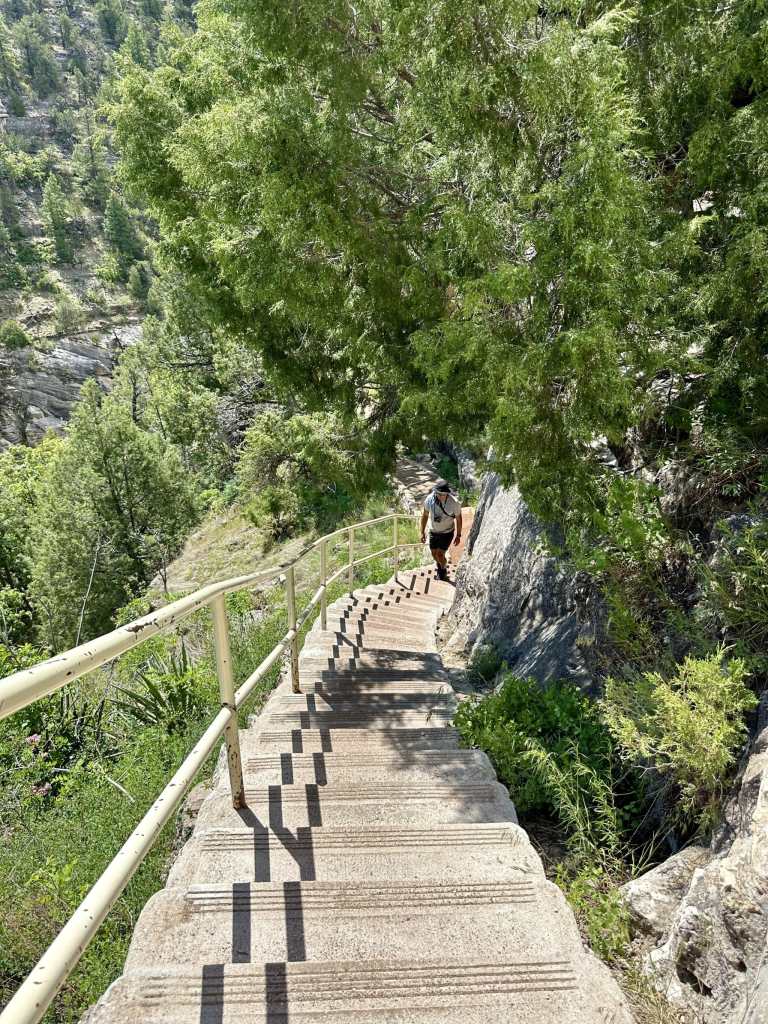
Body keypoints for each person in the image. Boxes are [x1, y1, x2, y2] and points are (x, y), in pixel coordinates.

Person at [420, 480, 462, 581]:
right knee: (434, 554)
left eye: (441, 494)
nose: (438, 496)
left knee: (439, 554)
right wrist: (422, 532)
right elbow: (425, 516)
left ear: (447, 493)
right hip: (433, 531)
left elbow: (459, 519)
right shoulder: (430, 499)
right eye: (437, 493)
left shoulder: (454, 503)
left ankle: (442, 570)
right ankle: (441, 567)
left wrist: (458, 535)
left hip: (447, 532)